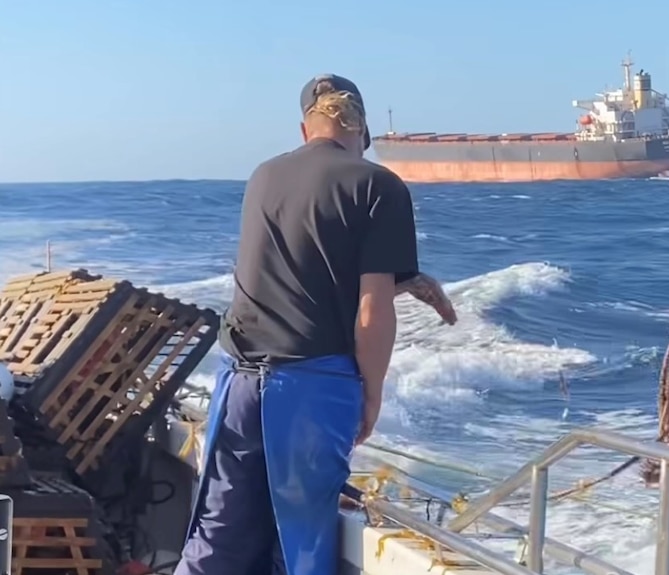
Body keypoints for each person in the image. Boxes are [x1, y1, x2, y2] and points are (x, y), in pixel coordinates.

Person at [173, 74, 457, 575]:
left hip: (239, 383)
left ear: (306, 129)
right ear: (362, 131)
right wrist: (370, 394)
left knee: (218, 536)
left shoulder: (264, 176)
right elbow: (370, 313)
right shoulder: (378, 186)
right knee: (298, 544)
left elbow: (295, 279)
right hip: (309, 390)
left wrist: (403, 280)